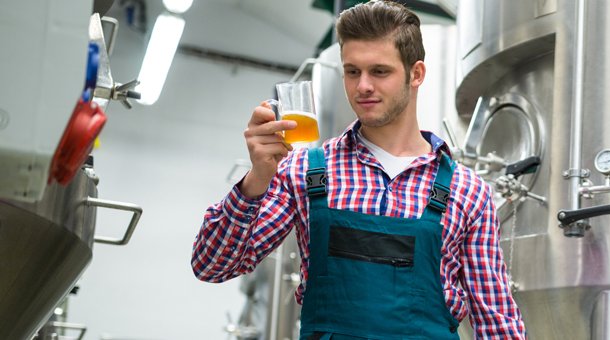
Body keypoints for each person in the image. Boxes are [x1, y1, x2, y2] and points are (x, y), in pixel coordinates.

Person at [191, 1, 526, 338]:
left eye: (379, 71)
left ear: (416, 74)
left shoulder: (466, 190)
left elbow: (496, 319)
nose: (363, 86)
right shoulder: (304, 171)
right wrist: (255, 180)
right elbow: (212, 265)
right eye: (352, 71)